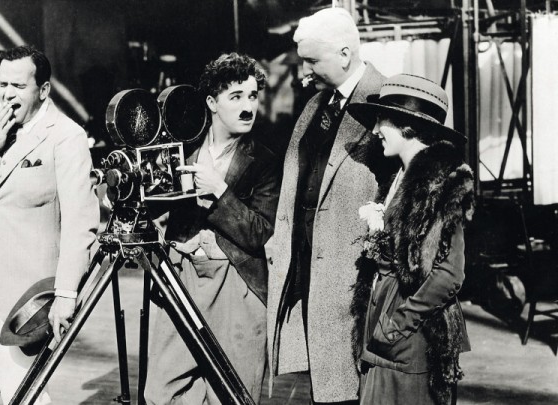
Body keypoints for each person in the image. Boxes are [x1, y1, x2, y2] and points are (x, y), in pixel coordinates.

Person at [264, 7, 397, 404]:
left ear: (344, 54)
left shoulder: (387, 101)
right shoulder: (316, 105)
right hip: (310, 275)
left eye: (312, 61)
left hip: (356, 281)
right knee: (326, 386)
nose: (304, 72)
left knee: (357, 389)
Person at [0, 45, 99, 404]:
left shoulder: (65, 136)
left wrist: (66, 294)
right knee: (16, 388)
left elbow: (80, 221)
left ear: (43, 90)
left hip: (35, 292)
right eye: (2, 84)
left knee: (27, 390)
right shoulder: (3, 130)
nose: (7, 94)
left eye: (18, 86)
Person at [143, 52, 280, 404]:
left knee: (232, 394)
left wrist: (220, 191)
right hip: (182, 282)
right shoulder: (181, 153)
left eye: (252, 96)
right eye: (236, 97)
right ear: (212, 103)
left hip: (238, 287)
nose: (247, 107)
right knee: (162, 390)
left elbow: (261, 233)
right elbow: (151, 206)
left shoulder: (265, 162)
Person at [346, 74, 472, 405]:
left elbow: (450, 274)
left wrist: (396, 326)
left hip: (409, 340)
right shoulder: (398, 177)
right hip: (382, 338)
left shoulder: (442, 183)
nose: (375, 130)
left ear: (407, 125)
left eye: (381, 119)